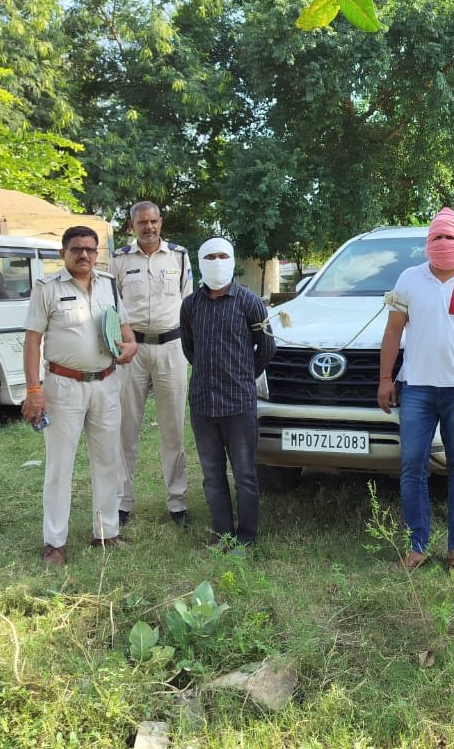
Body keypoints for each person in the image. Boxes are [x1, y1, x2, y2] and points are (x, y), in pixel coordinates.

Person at [377, 208, 454, 573]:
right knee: (412, 466)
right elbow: (393, 331)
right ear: (427, 242)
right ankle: (417, 547)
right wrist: (385, 379)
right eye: (436, 237)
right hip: (417, 389)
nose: (443, 243)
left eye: (450, 237)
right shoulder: (409, 279)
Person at [23, 226, 138, 566]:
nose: (84, 254)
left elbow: (125, 329)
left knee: (108, 460)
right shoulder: (47, 288)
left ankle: (106, 532)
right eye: (76, 249)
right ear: (63, 253)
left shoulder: (109, 285)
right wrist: (34, 391)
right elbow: (32, 342)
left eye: (90, 249)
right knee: (60, 465)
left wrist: (131, 346)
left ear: (97, 253)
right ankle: (55, 542)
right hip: (63, 386)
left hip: (106, 383)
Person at [179, 237, 275, 548]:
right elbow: (190, 349)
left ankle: (246, 538)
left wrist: (243, 376)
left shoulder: (250, 302)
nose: (217, 262)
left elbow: (267, 348)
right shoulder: (190, 305)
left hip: (239, 404)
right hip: (203, 404)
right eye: (210, 257)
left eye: (223, 256)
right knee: (212, 475)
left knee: (245, 475)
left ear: (232, 260)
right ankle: (222, 535)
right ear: (200, 262)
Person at [111, 201, 193, 528]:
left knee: (173, 428)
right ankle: (122, 502)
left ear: (161, 222)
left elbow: (188, 304)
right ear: (132, 226)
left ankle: (177, 502)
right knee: (125, 428)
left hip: (171, 347)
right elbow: (111, 307)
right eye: (142, 222)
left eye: (153, 221)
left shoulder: (179, 256)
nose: (149, 227)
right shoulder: (119, 260)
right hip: (131, 350)